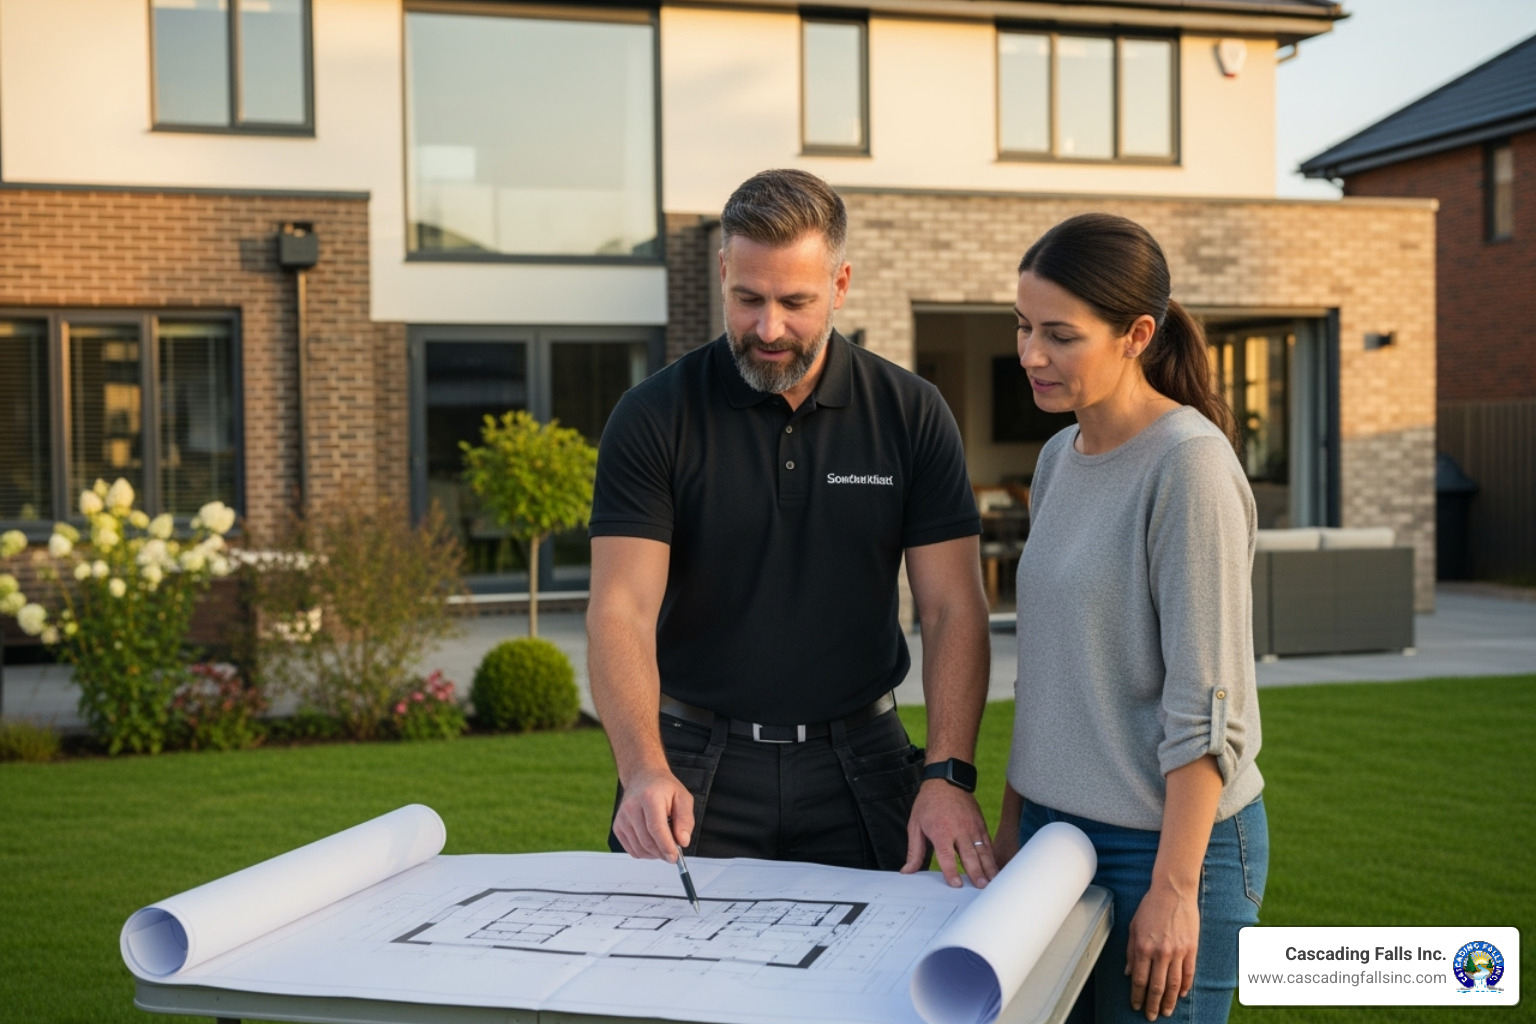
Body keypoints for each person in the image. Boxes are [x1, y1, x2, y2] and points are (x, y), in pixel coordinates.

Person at [587, 168, 997, 888]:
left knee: (871, 992)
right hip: (691, 765)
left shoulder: (911, 413)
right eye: (747, 298)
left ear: (840, 286)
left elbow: (952, 607)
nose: (767, 328)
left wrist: (949, 774)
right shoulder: (654, 416)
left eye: (794, 302)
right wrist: (642, 766)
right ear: (722, 271)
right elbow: (622, 608)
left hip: (863, 762)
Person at [995, 213, 1268, 1024]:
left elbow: (1207, 704)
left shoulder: (1189, 467)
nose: (1031, 356)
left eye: (1059, 336)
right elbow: (1044, 670)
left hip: (1165, 849)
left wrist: (1176, 891)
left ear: (1136, 335)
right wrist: (1015, 824)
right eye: (1022, 327)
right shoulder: (1057, 458)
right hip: (1051, 842)